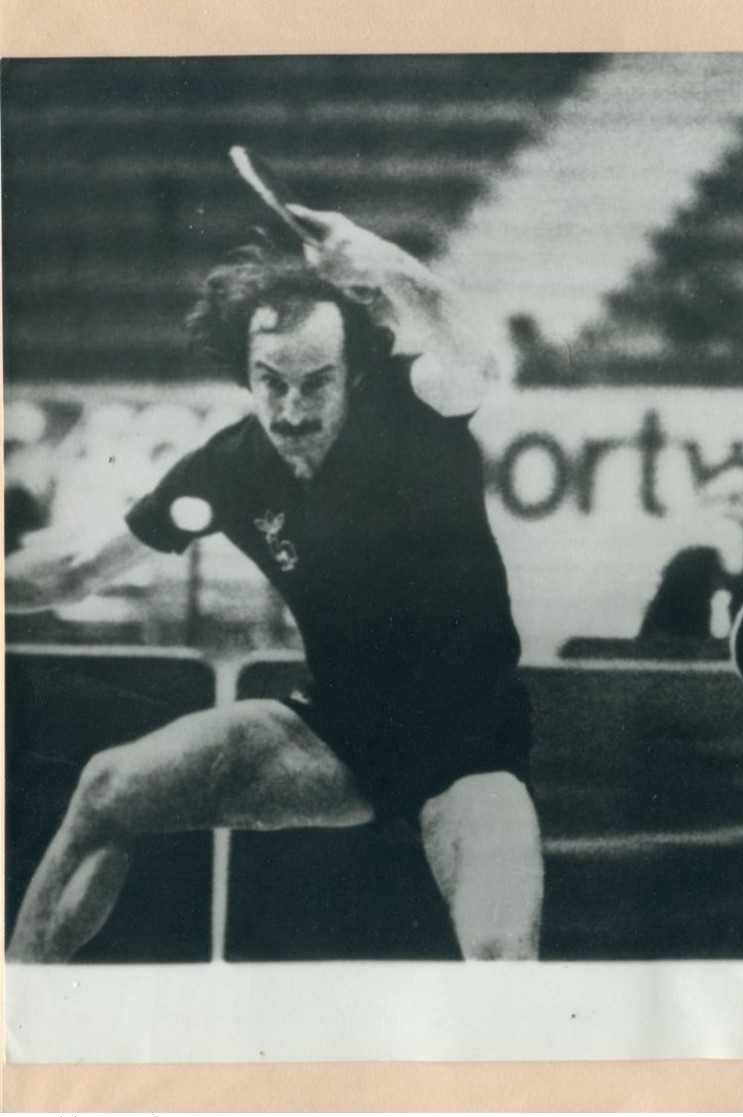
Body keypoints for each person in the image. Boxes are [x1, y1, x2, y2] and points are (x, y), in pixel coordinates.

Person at [6, 207, 543, 962]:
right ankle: (17, 1007)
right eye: (272, 382)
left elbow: (475, 360)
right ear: (246, 375)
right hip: (335, 736)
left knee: (501, 956)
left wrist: (386, 261)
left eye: (317, 382)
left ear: (353, 371)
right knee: (105, 789)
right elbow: (72, 570)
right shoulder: (227, 470)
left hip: (471, 746)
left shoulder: (414, 418)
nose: (293, 409)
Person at [638, 462, 743, 641]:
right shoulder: (684, 568)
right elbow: (652, 643)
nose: (723, 511)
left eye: (734, 500)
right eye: (714, 501)